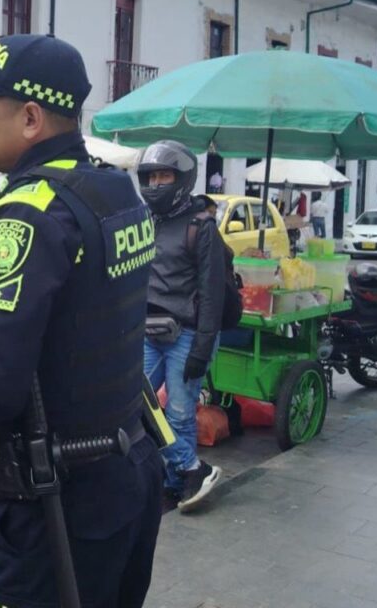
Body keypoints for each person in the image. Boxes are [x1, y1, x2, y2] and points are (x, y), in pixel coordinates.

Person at [0, 34, 165, 608]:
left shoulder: (25, 215)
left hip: (60, 504)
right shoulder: (113, 189)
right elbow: (76, 326)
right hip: (127, 471)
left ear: (29, 118)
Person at [136, 140, 227, 514]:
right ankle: (192, 468)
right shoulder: (144, 220)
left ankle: (177, 485)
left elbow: (211, 293)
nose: (157, 183)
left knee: (179, 413)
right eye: (151, 176)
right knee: (132, 402)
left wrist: (202, 347)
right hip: (146, 331)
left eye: (165, 175)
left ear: (183, 178)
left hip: (186, 334)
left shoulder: (201, 227)